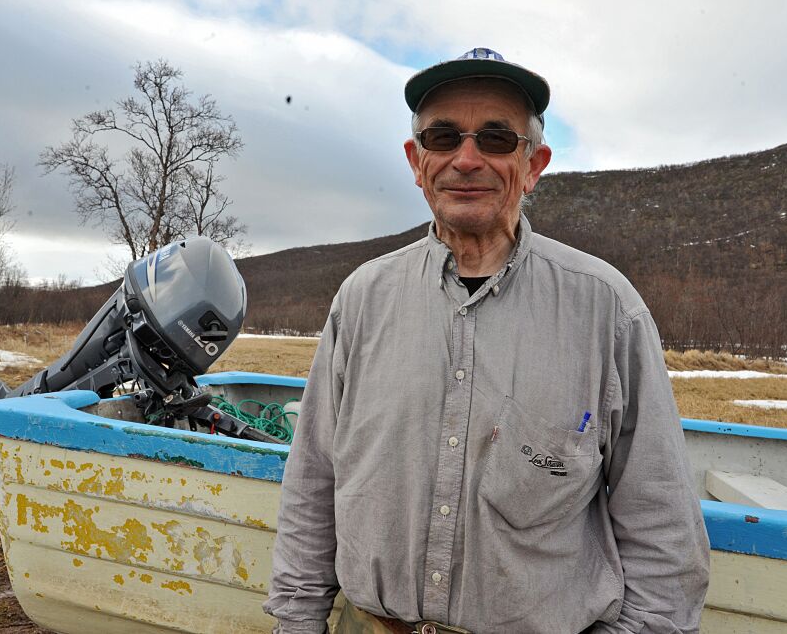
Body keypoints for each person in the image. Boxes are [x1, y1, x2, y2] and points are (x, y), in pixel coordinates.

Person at [264, 47, 709, 634]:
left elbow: (663, 529)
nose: (466, 159)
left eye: (497, 140)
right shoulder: (361, 299)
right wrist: (296, 622)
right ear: (416, 160)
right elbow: (313, 484)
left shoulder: (607, 308)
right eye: (443, 137)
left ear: (534, 164)